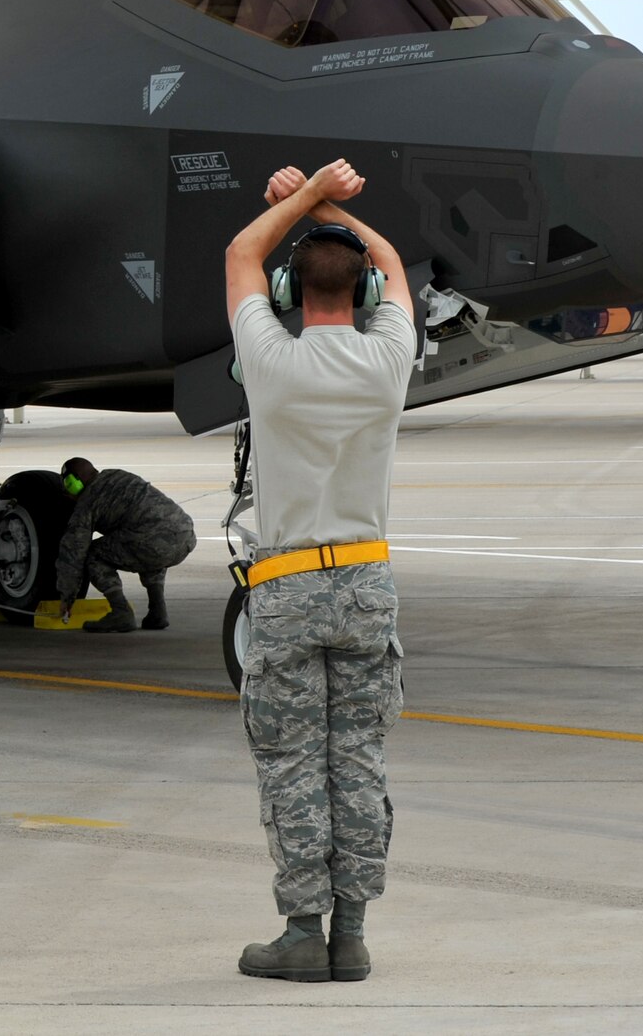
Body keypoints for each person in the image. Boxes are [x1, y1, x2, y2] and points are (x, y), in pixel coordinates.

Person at [223, 159, 416, 983]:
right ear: (364, 296)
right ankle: (355, 936)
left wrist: (301, 201)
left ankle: (303, 933)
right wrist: (338, 209)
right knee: (359, 760)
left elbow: (239, 253)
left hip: (289, 584)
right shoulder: (388, 362)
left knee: (293, 761)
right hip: (366, 584)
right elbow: (398, 268)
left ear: (288, 298)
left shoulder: (271, 365)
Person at [51, 457, 197, 633]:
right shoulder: (116, 475)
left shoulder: (88, 501)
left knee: (93, 555)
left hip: (154, 541)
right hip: (185, 536)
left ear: (74, 483)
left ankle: (121, 612)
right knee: (144, 545)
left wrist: (67, 597)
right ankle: (157, 611)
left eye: (68, 485)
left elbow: (73, 551)